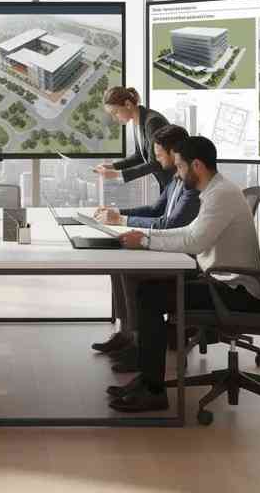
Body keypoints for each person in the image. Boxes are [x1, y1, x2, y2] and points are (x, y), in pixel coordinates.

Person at [105, 135, 260, 413]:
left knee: (149, 296)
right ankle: (147, 380)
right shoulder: (215, 191)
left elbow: (194, 242)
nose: (177, 174)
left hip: (235, 293)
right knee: (149, 289)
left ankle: (153, 390)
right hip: (224, 284)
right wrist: (146, 235)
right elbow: (190, 232)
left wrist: (145, 240)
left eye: (180, 167)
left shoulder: (222, 195)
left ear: (197, 166)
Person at [89, 124, 200, 371]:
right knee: (117, 267)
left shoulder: (192, 183)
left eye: (160, 154)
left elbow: (172, 223)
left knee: (130, 271)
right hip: (169, 247)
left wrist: (123, 221)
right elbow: (154, 210)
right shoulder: (175, 178)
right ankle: (126, 333)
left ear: (174, 153)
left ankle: (139, 347)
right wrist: (117, 213)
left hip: (182, 256)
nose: (157, 160)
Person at [88, 86, 173, 350]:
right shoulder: (139, 121)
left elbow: (158, 162)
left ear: (128, 103)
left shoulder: (153, 121)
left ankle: (132, 337)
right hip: (166, 189)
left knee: (125, 261)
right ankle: (126, 333)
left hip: (171, 187)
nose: (115, 118)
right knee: (119, 263)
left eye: (115, 112)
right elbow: (141, 156)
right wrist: (113, 166)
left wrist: (120, 177)